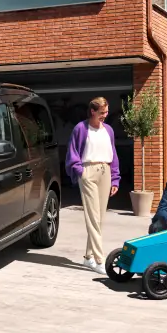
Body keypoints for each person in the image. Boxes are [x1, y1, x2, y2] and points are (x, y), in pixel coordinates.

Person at [65, 97, 120, 274]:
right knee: (93, 217)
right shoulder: (81, 128)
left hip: (105, 171)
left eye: (106, 111)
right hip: (88, 172)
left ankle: (88, 257)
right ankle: (99, 259)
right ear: (92, 111)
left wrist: (115, 178)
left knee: (100, 218)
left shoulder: (108, 130)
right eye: (102, 112)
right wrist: (80, 172)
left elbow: (113, 154)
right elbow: (72, 152)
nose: (105, 115)